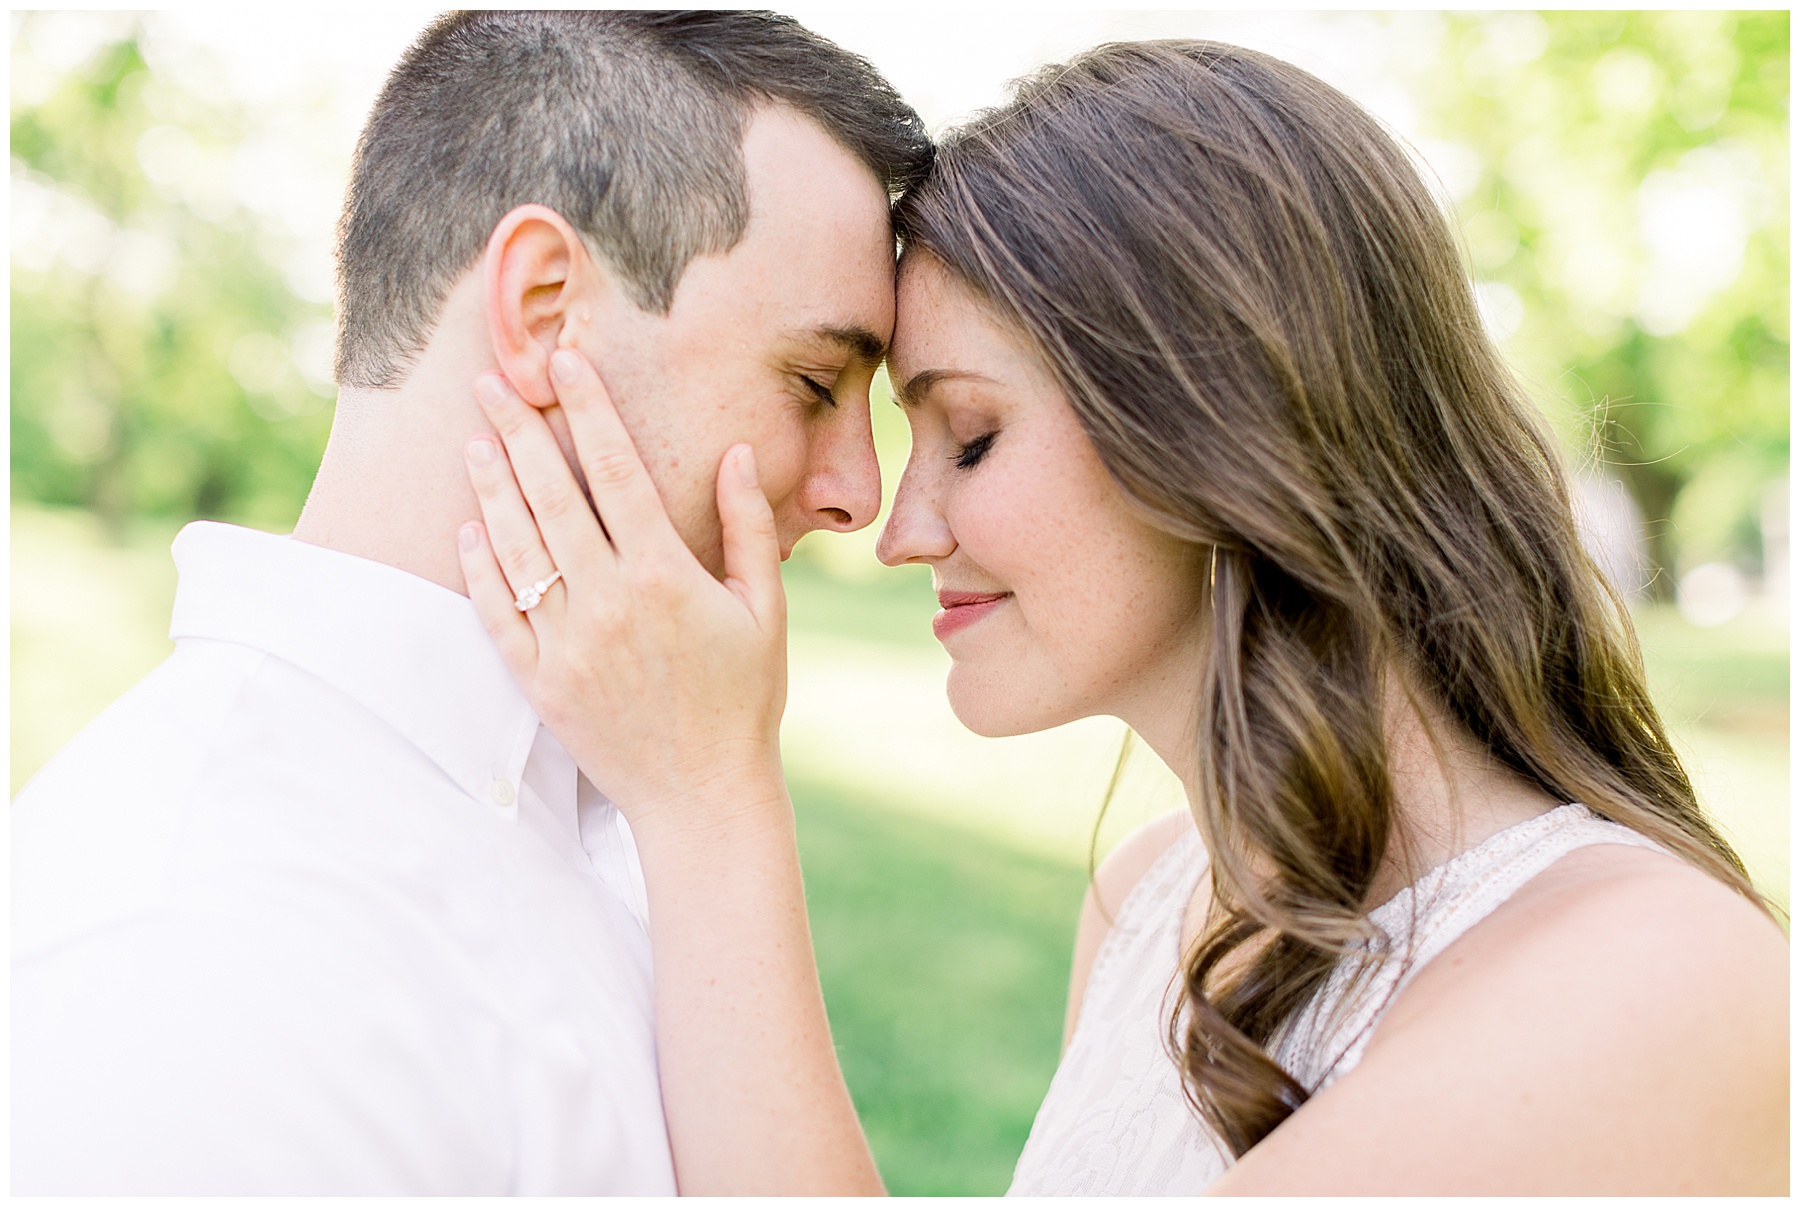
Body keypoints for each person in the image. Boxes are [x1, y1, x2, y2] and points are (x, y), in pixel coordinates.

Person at [458, 39, 1789, 1195]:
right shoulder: (1159, 899)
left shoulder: (1650, 972)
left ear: (1222, 417)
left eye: (970, 435)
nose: (901, 523)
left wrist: (708, 801)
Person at [11, 11, 930, 1194]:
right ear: (546, 309)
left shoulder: (629, 784)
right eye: (814, 383)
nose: (862, 491)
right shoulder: (183, 951)